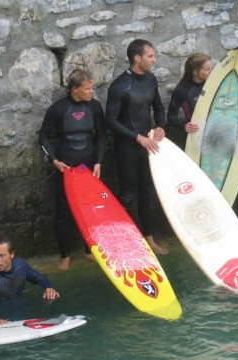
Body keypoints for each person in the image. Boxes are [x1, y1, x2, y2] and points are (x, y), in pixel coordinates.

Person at [105, 39, 169, 255]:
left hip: (148, 146)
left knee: (147, 192)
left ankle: (149, 240)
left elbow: (159, 107)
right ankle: (123, 243)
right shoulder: (120, 86)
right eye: (151, 56)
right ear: (137, 58)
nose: (154, 60)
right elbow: (110, 121)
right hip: (127, 147)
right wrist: (137, 138)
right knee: (127, 195)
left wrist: (160, 126)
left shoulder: (151, 80)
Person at [39, 68, 106, 270]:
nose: (91, 92)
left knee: (91, 209)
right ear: (75, 90)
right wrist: (54, 160)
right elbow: (43, 137)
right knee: (63, 213)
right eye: (87, 89)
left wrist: (99, 161)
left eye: (91, 88)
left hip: (89, 168)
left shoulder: (94, 107)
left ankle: (89, 250)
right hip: (66, 169)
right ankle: (65, 256)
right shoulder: (58, 109)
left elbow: (102, 135)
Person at [0, 237, 60, 325]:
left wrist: (48, 287)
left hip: (22, 303)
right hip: (0, 309)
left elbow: (40, 278)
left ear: (12, 254)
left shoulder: (21, 267)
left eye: (1, 255)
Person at [166, 52, 212, 139]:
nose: (211, 71)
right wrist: (184, 126)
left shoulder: (212, 83)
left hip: (214, 131)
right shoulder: (182, 90)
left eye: (211, 68)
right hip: (196, 135)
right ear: (195, 71)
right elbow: (171, 116)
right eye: (207, 69)